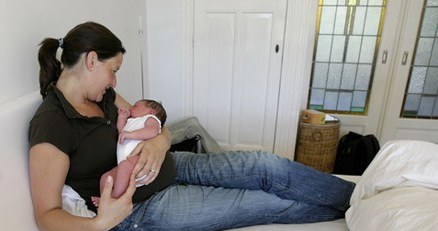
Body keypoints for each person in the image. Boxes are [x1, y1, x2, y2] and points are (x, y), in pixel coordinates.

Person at [29, 21, 355, 231]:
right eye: (113, 70)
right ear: (91, 60)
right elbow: (47, 215)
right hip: (145, 209)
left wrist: (159, 143)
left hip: (174, 164)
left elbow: (155, 125)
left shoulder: (104, 96)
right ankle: (359, 214)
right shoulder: (52, 125)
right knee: (265, 204)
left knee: (266, 166)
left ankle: (361, 196)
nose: (114, 80)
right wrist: (101, 225)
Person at [91, 99, 167, 207]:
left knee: (124, 166)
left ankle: (113, 199)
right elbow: (121, 132)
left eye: (135, 106)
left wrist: (131, 135)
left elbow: (152, 131)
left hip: (138, 159)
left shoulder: (150, 119)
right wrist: (122, 117)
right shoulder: (131, 122)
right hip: (126, 163)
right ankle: (105, 198)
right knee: (106, 177)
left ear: (151, 111)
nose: (131, 108)